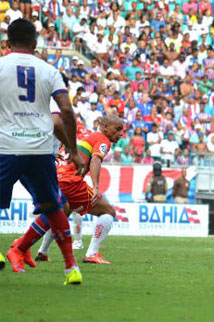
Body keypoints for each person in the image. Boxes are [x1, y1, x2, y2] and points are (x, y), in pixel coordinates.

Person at [1, 19, 84, 284]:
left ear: (6, 42)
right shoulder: (49, 71)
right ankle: (71, 268)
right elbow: (66, 112)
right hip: (39, 149)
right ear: (35, 43)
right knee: (54, 207)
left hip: (6, 147)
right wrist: (73, 150)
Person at [28, 115, 124, 265]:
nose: (121, 134)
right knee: (108, 211)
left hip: (54, 178)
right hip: (70, 181)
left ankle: (41, 251)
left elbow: (65, 119)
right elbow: (95, 160)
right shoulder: (102, 139)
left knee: (60, 214)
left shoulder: (79, 133)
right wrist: (96, 186)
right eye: (118, 129)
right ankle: (92, 254)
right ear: (105, 127)